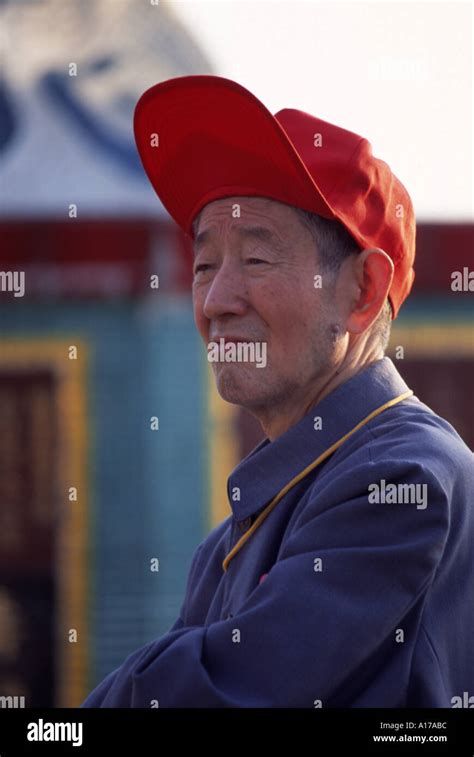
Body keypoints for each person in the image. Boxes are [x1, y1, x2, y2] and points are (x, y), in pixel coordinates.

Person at [81, 75, 474, 708]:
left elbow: (219, 693)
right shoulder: (236, 533)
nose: (216, 302)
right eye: (204, 265)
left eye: (257, 261)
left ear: (362, 290)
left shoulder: (404, 481)